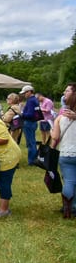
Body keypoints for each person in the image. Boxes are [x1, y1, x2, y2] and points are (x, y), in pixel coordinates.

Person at [52, 84, 76, 218]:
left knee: (69, 181)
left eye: (67, 90)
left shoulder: (61, 118)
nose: (64, 92)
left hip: (66, 153)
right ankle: (74, 206)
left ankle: (67, 208)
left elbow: (55, 137)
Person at [19, 85, 41, 165]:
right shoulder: (35, 99)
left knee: (31, 143)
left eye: (24, 93)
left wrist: (21, 114)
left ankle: (32, 161)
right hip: (33, 123)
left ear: (29, 92)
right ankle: (33, 159)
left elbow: (30, 114)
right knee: (32, 141)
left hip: (29, 122)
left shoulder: (31, 101)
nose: (24, 95)